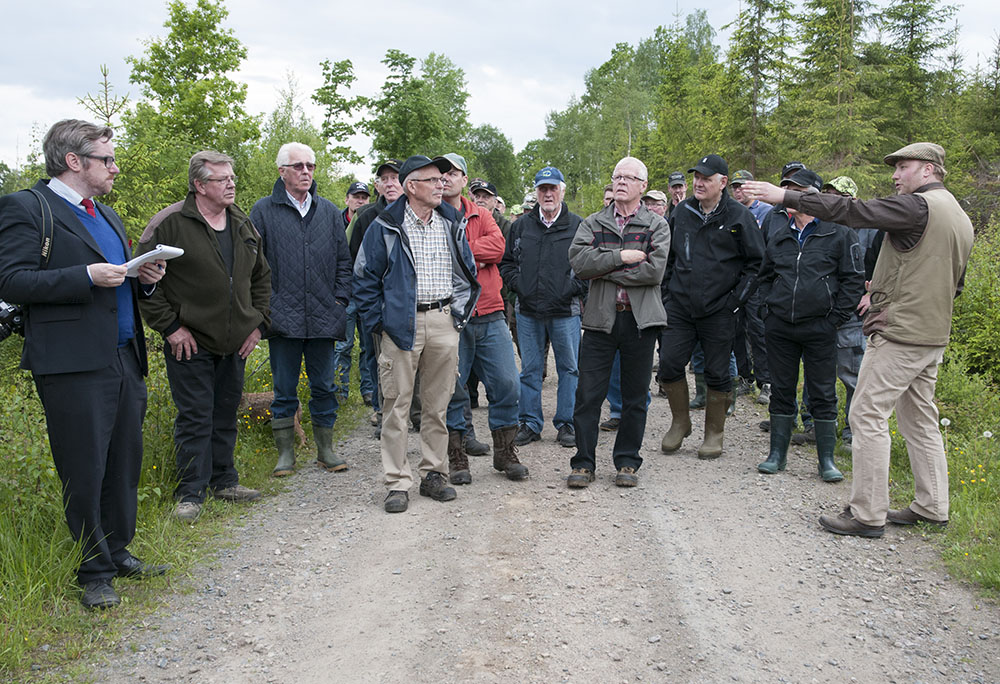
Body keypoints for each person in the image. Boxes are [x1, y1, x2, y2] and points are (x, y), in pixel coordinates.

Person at [744, 142, 974, 537]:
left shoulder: (918, 207)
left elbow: (853, 211)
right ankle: (933, 505)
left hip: (901, 335)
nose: (896, 175)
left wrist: (785, 195)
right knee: (920, 419)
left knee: (866, 415)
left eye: (903, 167)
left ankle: (867, 513)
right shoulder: (959, 216)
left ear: (929, 170)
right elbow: (954, 284)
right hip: (932, 333)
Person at [0, 119, 169, 609]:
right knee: (85, 467)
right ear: (74, 161)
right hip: (72, 364)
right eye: (107, 159)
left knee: (123, 463)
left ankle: (118, 551)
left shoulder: (108, 214)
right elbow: (10, 281)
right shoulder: (27, 208)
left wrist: (147, 278)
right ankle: (93, 571)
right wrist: (84, 275)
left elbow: (118, 282)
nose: (115, 167)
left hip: (123, 358)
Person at [137, 151, 271, 522]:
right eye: (221, 179)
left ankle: (225, 480)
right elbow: (143, 282)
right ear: (199, 185)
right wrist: (170, 327)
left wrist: (258, 325)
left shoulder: (243, 222)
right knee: (195, 416)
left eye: (232, 178)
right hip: (189, 340)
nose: (231, 184)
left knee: (226, 411)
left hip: (236, 340)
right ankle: (190, 493)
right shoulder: (169, 224)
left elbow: (261, 278)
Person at [353, 155, 481, 513]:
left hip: (443, 320)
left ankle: (434, 474)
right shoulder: (384, 226)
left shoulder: (451, 222)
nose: (442, 184)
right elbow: (364, 279)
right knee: (395, 406)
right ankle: (397, 483)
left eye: (443, 179)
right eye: (433, 180)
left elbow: (467, 273)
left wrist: (456, 316)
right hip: (400, 326)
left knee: (437, 406)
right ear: (412, 187)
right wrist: (380, 323)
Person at [755, 168, 864, 482]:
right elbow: (764, 276)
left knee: (823, 392)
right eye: (787, 188)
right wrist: (768, 309)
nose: (789, 194)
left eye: (797, 189)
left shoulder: (839, 232)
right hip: (780, 327)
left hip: (820, 328)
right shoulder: (778, 230)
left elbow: (853, 281)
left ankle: (826, 460)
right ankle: (777, 455)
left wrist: (834, 320)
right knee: (782, 390)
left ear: (814, 196)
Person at [249, 142, 352, 476]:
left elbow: (344, 262)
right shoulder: (263, 211)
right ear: (282, 172)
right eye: (298, 166)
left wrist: (340, 301)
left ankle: (326, 450)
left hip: (324, 315)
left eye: (310, 166)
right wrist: (267, 307)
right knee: (284, 389)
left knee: (325, 386)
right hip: (282, 318)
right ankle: (285, 456)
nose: (306, 172)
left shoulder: (329, 212)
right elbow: (253, 265)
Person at [567, 157, 669, 488]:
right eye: (617, 176)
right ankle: (583, 463)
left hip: (640, 322)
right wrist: (621, 257)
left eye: (629, 177)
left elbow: (654, 271)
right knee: (587, 394)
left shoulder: (657, 225)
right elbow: (580, 263)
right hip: (600, 321)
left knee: (635, 395)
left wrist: (604, 269)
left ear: (643, 185)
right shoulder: (593, 222)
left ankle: (627, 461)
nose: (621, 182)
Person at [657, 154, 765, 459]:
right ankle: (681, 423)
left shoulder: (738, 216)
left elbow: (757, 264)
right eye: (696, 178)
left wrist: (735, 302)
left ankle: (714, 433)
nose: (698, 183)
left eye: (706, 178)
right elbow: (668, 258)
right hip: (680, 306)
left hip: (720, 308)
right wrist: (667, 293)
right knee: (669, 364)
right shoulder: (682, 211)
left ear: (723, 182)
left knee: (718, 371)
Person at [438, 155, 527, 483]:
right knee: (451, 388)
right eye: (441, 173)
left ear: (464, 179)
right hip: (448, 316)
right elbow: (432, 255)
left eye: (454, 173)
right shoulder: (429, 216)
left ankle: (505, 452)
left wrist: (457, 247)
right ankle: (456, 455)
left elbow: (498, 248)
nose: (447, 178)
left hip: (489, 312)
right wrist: (473, 252)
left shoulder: (482, 213)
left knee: (507, 381)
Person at [500, 167, 587, 448]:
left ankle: (567, 423)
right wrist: (519, 285)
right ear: (536, 192)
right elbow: (507, 263)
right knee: (530, 369)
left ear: (561, 190)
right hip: (529, 311)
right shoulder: (521, 226)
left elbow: (588, 266)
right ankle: (529, 423)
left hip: (566, 311)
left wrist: (571, 288)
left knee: (569, 369)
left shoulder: (577, 225)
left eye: (552, 188)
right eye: (542, 189)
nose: (547, 194)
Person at [821, 176, 880, 449]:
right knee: (818, 374)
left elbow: (884, 266)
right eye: (829, 195)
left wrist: (872, 294)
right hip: (822, 312)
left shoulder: (871, 229)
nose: (833, 200)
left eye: (839, 196)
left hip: (854, 316)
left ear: (852, 199)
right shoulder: (819, 225)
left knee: (853, 377)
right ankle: (818, 426)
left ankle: (853, 434)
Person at [346, 159, 403, 414]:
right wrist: (368, 305)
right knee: (377, 356)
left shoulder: (419, 211)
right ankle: (382, 412)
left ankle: (415, 414)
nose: (390, 183)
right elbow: (353, 262)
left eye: (395, 177)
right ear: (377, 185)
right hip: (377, 303)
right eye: (385, 179)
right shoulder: (366, 216)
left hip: (411, 303)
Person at [729, 169, 773, 403]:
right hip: (734, 280)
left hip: (756, 279)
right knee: (736, 331)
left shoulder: (767, 212)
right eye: (735, 187)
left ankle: (766, 382)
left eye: (742, 186)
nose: (738, 191)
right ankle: (745, 377)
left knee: (758, 331)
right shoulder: (730, 212)